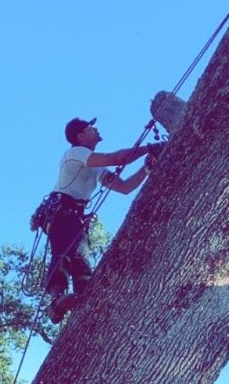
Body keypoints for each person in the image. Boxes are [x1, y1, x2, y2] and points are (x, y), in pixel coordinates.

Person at [45, 116, 160, 323]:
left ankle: (84, 298)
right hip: (61, 213)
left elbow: (124, 188)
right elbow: (117, 158)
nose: (96, 129)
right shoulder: (75, 153)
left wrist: (146, 168)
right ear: (80, 135)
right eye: (91, 128)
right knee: (63, 254)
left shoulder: (96, 167)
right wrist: (149, 148)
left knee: (81, 259)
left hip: (77, 218)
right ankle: (56, 300)